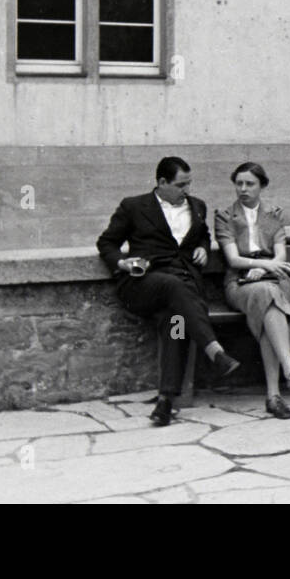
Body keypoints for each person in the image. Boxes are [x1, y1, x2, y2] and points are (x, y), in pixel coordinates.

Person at [97, 156, 241, 427]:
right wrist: (121, 262)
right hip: (144, 283)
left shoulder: (197, 206)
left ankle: (165, 400)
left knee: (175, 322)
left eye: (189, 184)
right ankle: (214, 350)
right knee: (175, 288)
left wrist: (201, 245)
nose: (186, 190)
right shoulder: (134, 206)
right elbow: (107, 242)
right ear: (162, 182)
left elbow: (202, 235)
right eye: (180, 185)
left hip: (183, 287)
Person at [215, 162, 290, 420]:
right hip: (240, 284)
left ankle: (275, 395)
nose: (243, 189)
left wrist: (266, 269)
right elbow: (233, 260)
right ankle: (287, 372)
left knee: (268, 299)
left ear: (262, 186)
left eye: (250, 184)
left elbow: (281, 255)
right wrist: (261, 265)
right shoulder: (225, 216)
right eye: (239, 183)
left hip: (277, 280)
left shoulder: (274, 214)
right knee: (266, 298)